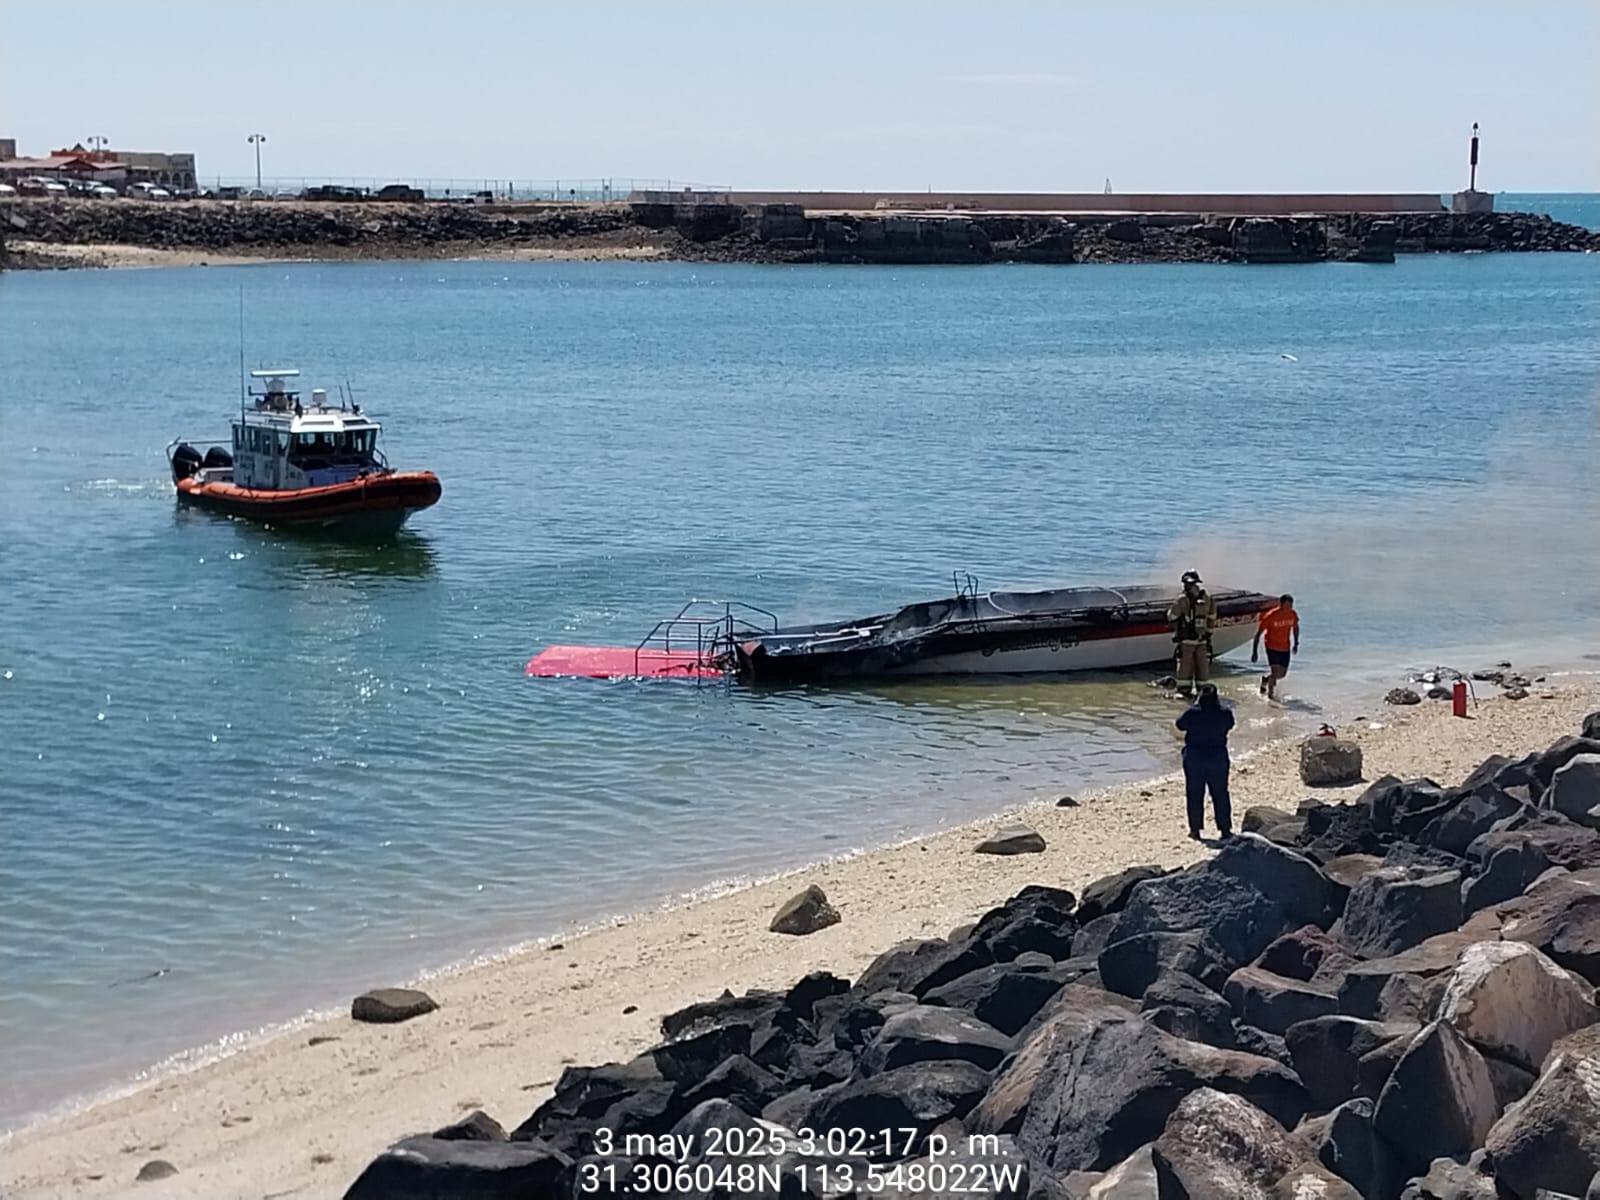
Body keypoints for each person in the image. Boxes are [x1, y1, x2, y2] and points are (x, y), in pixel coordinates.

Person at [1175, 683, 1234, 840]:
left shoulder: (1192, 713)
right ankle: (1225, 829)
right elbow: (1230, 725)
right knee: (1220, 793)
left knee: (1194, 793)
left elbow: (1179, 725)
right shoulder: (1224, 713)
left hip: (1195, 756)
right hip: (1217, 756)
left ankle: (1195, 830)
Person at [1167, 570, 1217, 697]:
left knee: (1185, 668)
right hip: (1202, 640)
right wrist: (1208, 634)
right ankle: (1203, 693)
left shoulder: (1182, 599)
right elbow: (1212, 617)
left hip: (1187, 641)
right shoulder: (1207, 598)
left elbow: (1172, 616)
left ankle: (1184, 693)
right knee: (1202, 668)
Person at [1252, 593, 1301, 700]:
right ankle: (1270, 697)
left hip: (1285, 647)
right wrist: (1254, 652)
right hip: (1271, 646)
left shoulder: (1292, 614)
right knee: (1275, 672)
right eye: (1286, 606)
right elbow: (1258, 634)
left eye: (1290, 606)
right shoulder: (1271, 616)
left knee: (1282, 674)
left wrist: (1296, 643)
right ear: (1281, 604)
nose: (1288, 608)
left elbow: (1296, 628)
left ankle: (1266, 679)